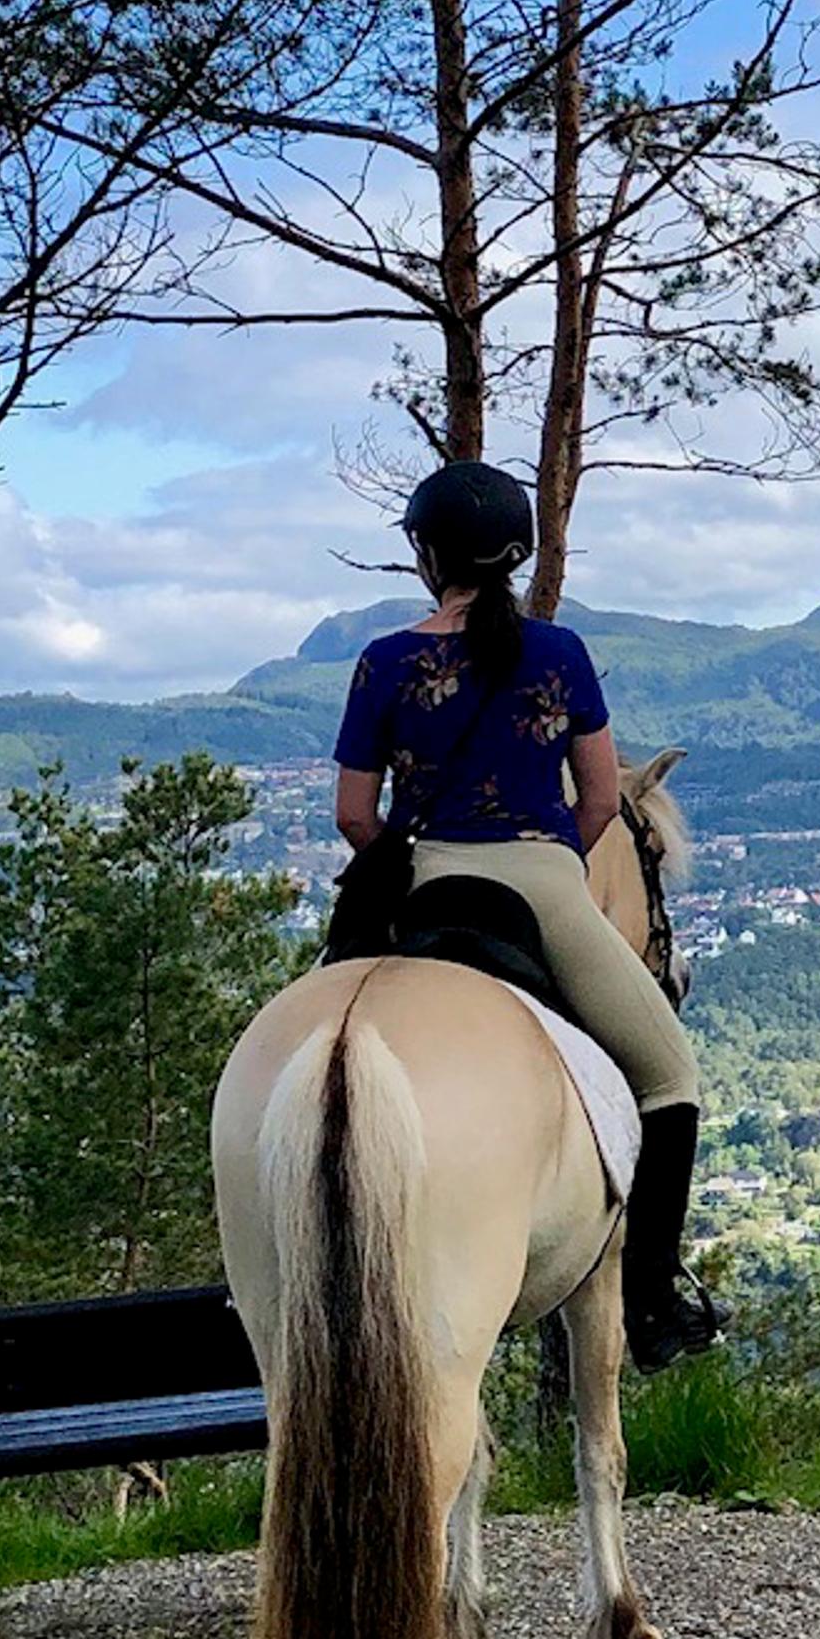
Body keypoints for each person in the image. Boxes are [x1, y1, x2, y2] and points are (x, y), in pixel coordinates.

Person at [332, 459, 723, 1371]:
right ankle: (653, 1301)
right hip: (543, 887)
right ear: (517, 556)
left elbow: (354, 817)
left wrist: (409, 857)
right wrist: (548, 860)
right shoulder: (560, 654)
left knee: (320, 1041)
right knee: (671, 1078)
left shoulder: (384, 661)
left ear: (427, 556)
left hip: (423, 877)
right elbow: (596, 799)